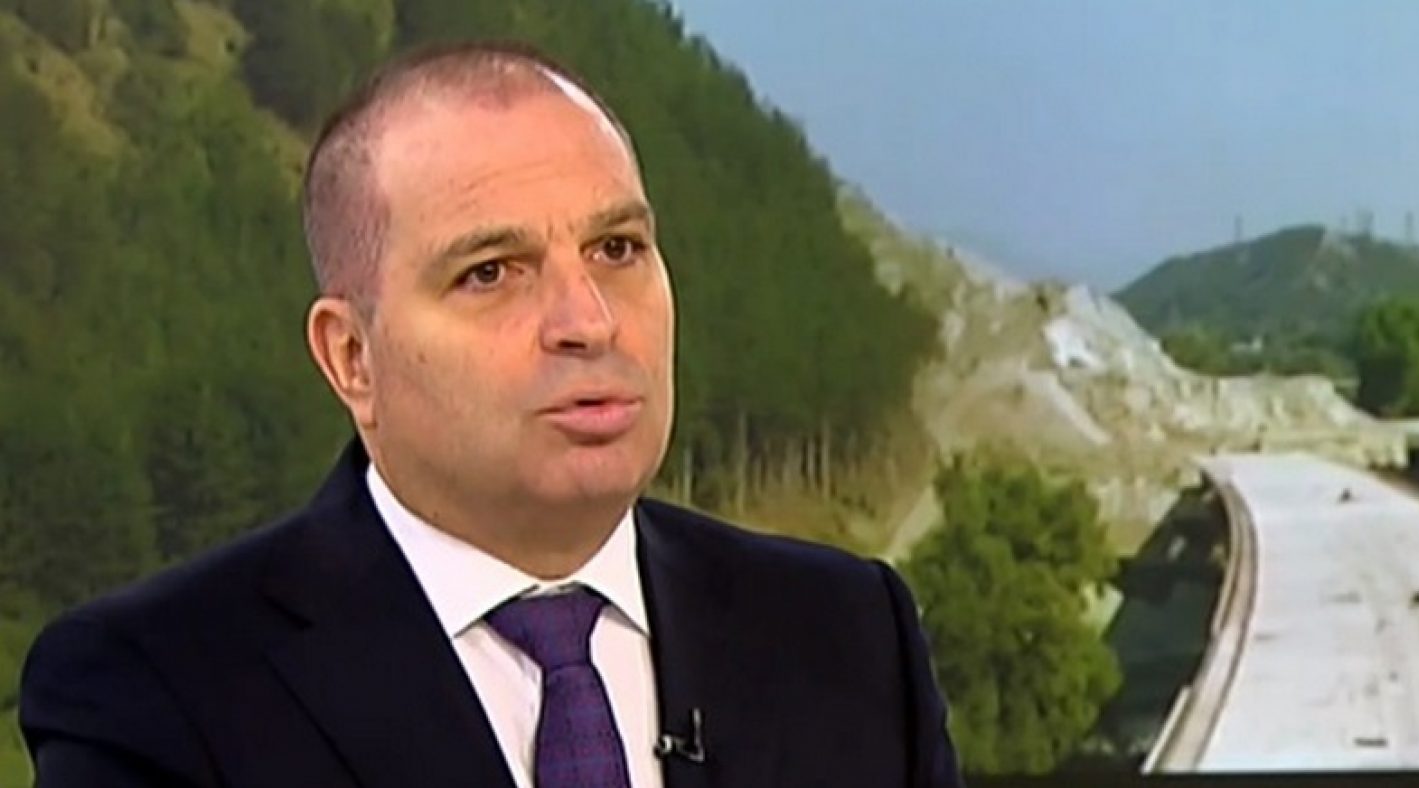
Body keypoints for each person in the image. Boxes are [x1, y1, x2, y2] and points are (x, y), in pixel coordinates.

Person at [19, 42, 962, 788]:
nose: (589, 321)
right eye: (491, 273)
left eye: (618, 249)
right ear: (352, 357)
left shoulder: (846, 632)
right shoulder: (154, 694)